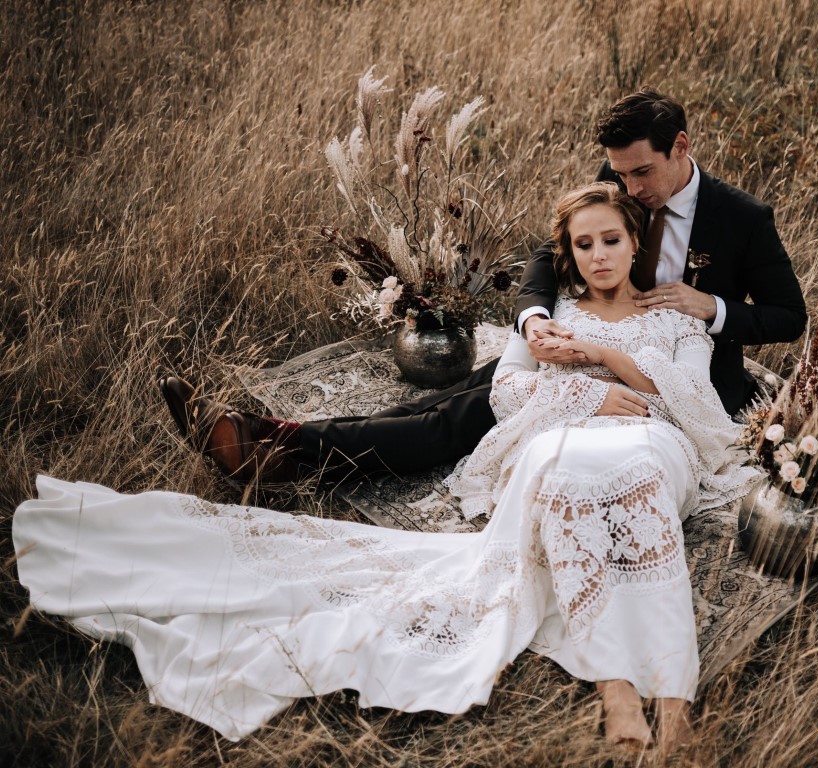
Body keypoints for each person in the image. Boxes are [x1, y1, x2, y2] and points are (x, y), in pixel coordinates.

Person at [15, 184, 756, 750]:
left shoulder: (673, 316)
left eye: (611, 241)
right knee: (564, 482)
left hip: (650, 441)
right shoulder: (551, 313)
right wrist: (586, 394)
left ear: (636, 243)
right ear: (571, 254)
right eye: (584, 245)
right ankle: (618, 686)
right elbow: (508, 388)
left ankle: (674, 700)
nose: (598, 256)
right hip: (561, 433)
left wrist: (600, 356)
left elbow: (693, 400)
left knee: (634, 495)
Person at [159, 87, 805, 486]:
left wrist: (713, 307)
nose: (629, 190)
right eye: (618, 174)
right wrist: (530, 321)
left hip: (667, 379)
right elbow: (549, 258)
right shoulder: (619, 179)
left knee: (462, 416)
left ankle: (287, 452)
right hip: (578, 339)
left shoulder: (742, 218)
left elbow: (788, 316)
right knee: (454, 395)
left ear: (680, 147)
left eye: (639, 174)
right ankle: (279, 441)